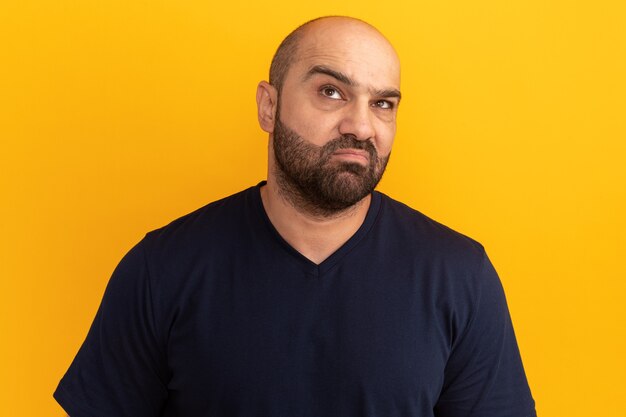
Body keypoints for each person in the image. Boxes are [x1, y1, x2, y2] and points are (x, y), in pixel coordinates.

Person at [54, 16, 536, 417]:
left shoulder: (459, 275)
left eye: (383, 104)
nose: (361, 125)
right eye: (331, 92)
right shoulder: (161, 268)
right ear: (269, 105)